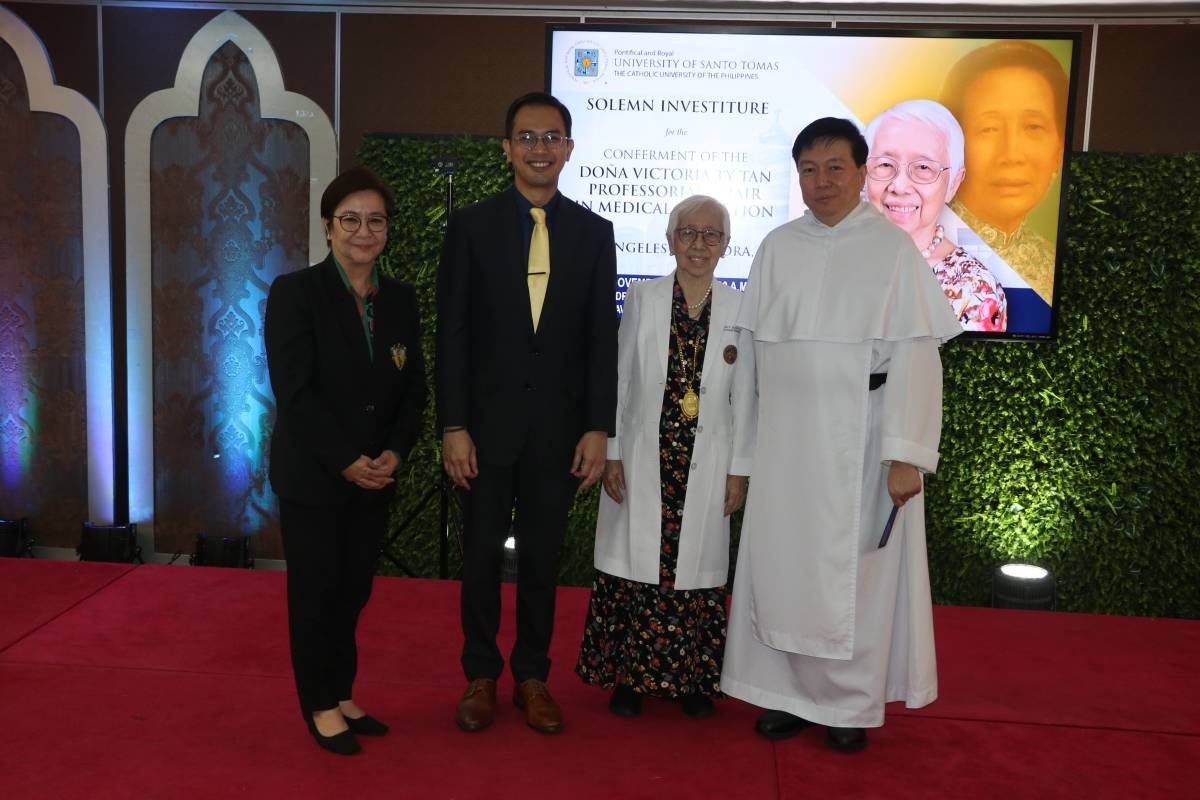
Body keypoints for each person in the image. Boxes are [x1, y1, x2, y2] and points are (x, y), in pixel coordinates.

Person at [721, 118, 961, 753]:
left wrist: (905, 454)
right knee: (781, 568)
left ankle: (848, 706)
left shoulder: (891, 249)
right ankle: (785, 695)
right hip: (783, 444)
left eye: (834, 168)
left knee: (855, 576)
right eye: (808, 169)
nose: (820, 181)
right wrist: (740, 460)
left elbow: (916, 358)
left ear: (860, 173)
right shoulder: (776, 246)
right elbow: (749, 365)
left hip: (860, 443)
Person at [437, 92, 618, 735]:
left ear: (569, 148)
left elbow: (602, 338)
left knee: (543, 559)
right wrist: (452, 426)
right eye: (527, 136)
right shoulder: (471, 227)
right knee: (481, 556)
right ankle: (481, 675)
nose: (540, 147)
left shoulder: (596, 234)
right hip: (483, 434)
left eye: (552, 136)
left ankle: (533, 677)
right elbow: (452, 333)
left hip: (560, 435)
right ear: (507, 148)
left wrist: (599, 427)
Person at [265, 165, 427, 755]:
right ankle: (318, 704)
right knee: (316, 593)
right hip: (316, 477)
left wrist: (393, 453)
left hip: (376, 477)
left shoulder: (401, 300)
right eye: (350, 219)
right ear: (329, 227)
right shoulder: (296, 293)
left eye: (375, 220)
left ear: (388, 230)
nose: (364, 230)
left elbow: (414, 391)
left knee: (353, 591)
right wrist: (345, 460)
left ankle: (341, 690)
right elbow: (295, 392)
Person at [576, 196, 754, 719]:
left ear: (725, 245)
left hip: (707, 457)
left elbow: (747, 395)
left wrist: (740, 469)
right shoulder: (642, 298)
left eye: (711, 235)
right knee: (636, 564)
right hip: (643, 451)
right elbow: (619, 377)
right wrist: (611, 452)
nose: (698, 245)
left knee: (694, 568)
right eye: (688, 234)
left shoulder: (742, 310)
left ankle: (694, 682)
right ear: (670, 239)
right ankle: (629, 678)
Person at [941, 40, 1069, 304]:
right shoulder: (910, 253)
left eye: (1033, 127)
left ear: (1058, 150)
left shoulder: (1053, 264)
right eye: (989, 129)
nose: (1011, 155)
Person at [864, 99, 1007, 332]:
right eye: (885, 164)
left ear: (953, 184)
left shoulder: (973, 291)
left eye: (923, 168)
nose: (899, 186)